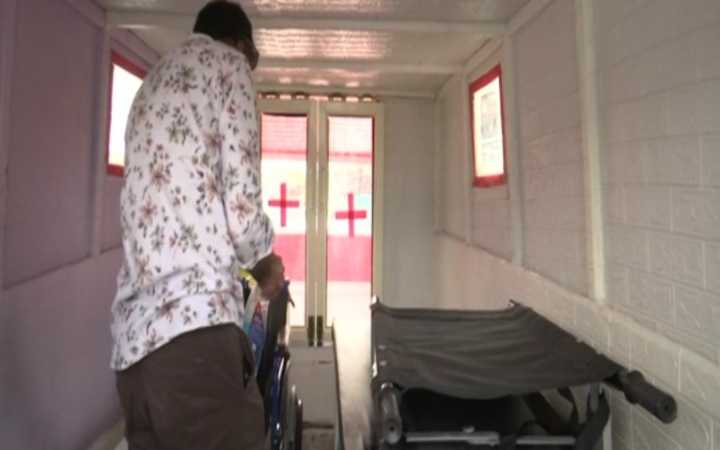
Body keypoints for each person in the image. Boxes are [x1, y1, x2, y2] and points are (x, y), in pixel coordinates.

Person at [110, 1, 283, 449]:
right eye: (255, 61)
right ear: (242, 46)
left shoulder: (151, 83)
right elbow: (242, 212)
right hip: (194, 343)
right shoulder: (229, 67)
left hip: (133, 354)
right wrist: (265, 262)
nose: (253, 70)